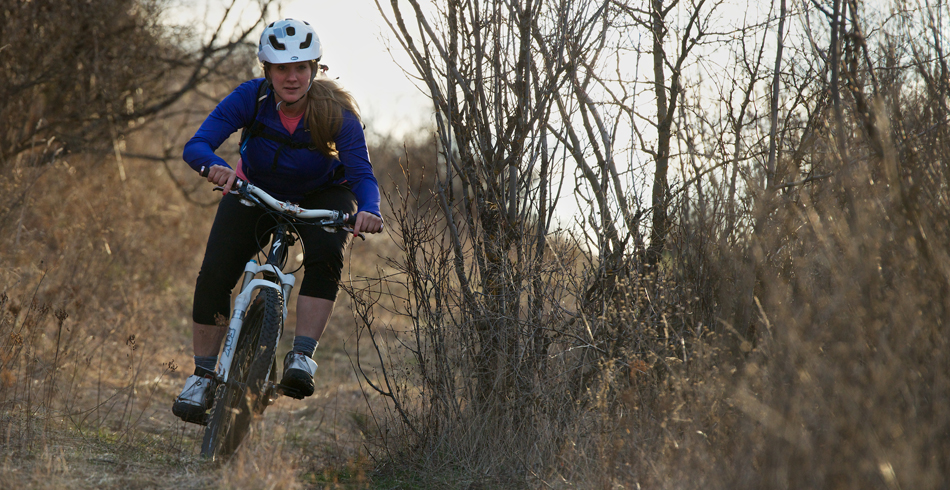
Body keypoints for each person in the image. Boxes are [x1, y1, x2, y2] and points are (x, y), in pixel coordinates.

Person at [172, 18, 383, 424]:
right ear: (267, 71)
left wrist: (369, 210)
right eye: (282, 69)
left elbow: (362, 176)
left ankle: (301, 356)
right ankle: (201, 377)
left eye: (300, 67)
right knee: (216, 273)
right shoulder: (251, 98)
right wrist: (215, 167)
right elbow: (197, 144)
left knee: (326, 255)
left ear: (315, 68)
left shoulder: (336, 113)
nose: (291, 77)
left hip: (321, 196)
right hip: (255, 189)